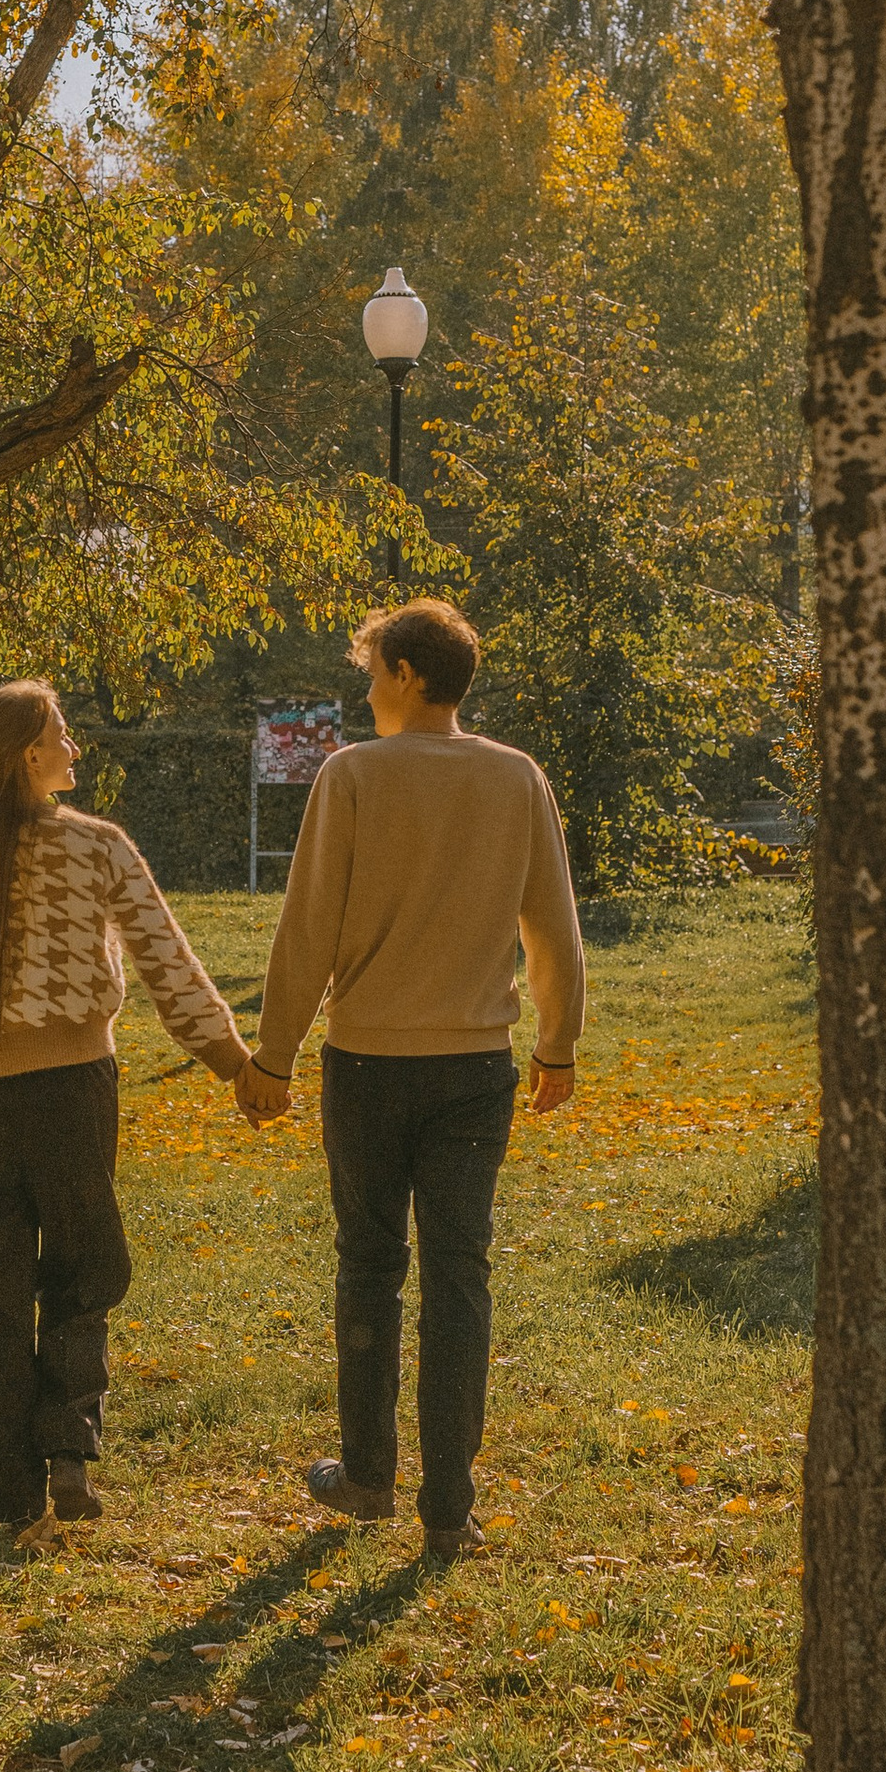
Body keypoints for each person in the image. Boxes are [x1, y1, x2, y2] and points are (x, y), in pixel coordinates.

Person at [240, 598, 583, 1559]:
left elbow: (306, 931)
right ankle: (449, 1508)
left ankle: (366, 1475)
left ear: (404, 674)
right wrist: (558, 1043)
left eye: (371, 672)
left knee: (371, 1265)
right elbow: (551, 930)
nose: (365, 692)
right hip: (478, 1067)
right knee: (460, 1276)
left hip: (369, 1063)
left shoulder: (351, 777)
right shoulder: (517, 779)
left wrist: (273, 1056)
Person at [0, 678, 257, 1528]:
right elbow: (167, 964)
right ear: (31, 753)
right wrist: (233, 1062)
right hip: (74, 1091)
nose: (76, 747)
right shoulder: (97, 848)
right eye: (64, 734)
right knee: (82, 1265)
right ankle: (68, 1446)